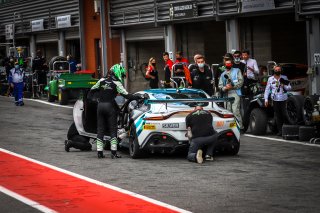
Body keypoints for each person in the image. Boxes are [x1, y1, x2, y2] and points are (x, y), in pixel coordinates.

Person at [90, 64, 144, 159]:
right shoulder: (117, 83)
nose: (122, 77)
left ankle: (99, 152)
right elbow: (127, 95)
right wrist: (138, 97)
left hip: (100, 106)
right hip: (110, 107)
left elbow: (92, 90)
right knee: (112, 129)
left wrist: (97, 99)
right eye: (122, 75)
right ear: (118, 73)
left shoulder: (101, 80)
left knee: (100, 129)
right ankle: (113, 153)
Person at [264, 65, 291, 136]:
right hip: (275, 99)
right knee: (278, 116)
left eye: (279, 70)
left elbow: (289, 87)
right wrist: (266, 99)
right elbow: (267, 89)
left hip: (284, 99)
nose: (277, 71)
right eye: (276, 70)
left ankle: (287, 129)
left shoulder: (284, 77)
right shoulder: (270, 79)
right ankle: (280, 131)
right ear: (274, 70)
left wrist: (284, 86)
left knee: (285, 114)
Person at [218, 59, 244, 130]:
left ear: (232, 64)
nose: (228, 65)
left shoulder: (237, 70)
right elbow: (220, 86)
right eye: (227, 63)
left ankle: (240, 127)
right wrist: (225, 88)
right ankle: (231, 127)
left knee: (235, 110)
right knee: (228, 111)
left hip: (235, 92)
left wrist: (233, 86)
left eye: (229, 63)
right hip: (227, 93)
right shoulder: (223, 74)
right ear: (225, 64)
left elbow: (241, 81)